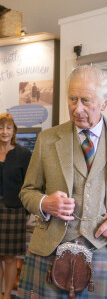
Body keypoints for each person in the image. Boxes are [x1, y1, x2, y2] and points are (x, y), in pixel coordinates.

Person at [17, 65, 107, 298]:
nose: (77, 109)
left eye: (86, 101)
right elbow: (27, 191)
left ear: (105, 102)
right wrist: (45, 203)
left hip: (106, 250)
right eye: (72, 99)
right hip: (51, 248)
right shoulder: (47, 139)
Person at [0, 113, 31, 299]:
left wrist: (26, 209)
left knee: (10, 258)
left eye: (8, 128)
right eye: (1, 127)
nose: (4, 131)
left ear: (14, 131)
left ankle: (6, 296)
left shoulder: (23, 154)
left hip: (14, 211)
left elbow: (29, 185)